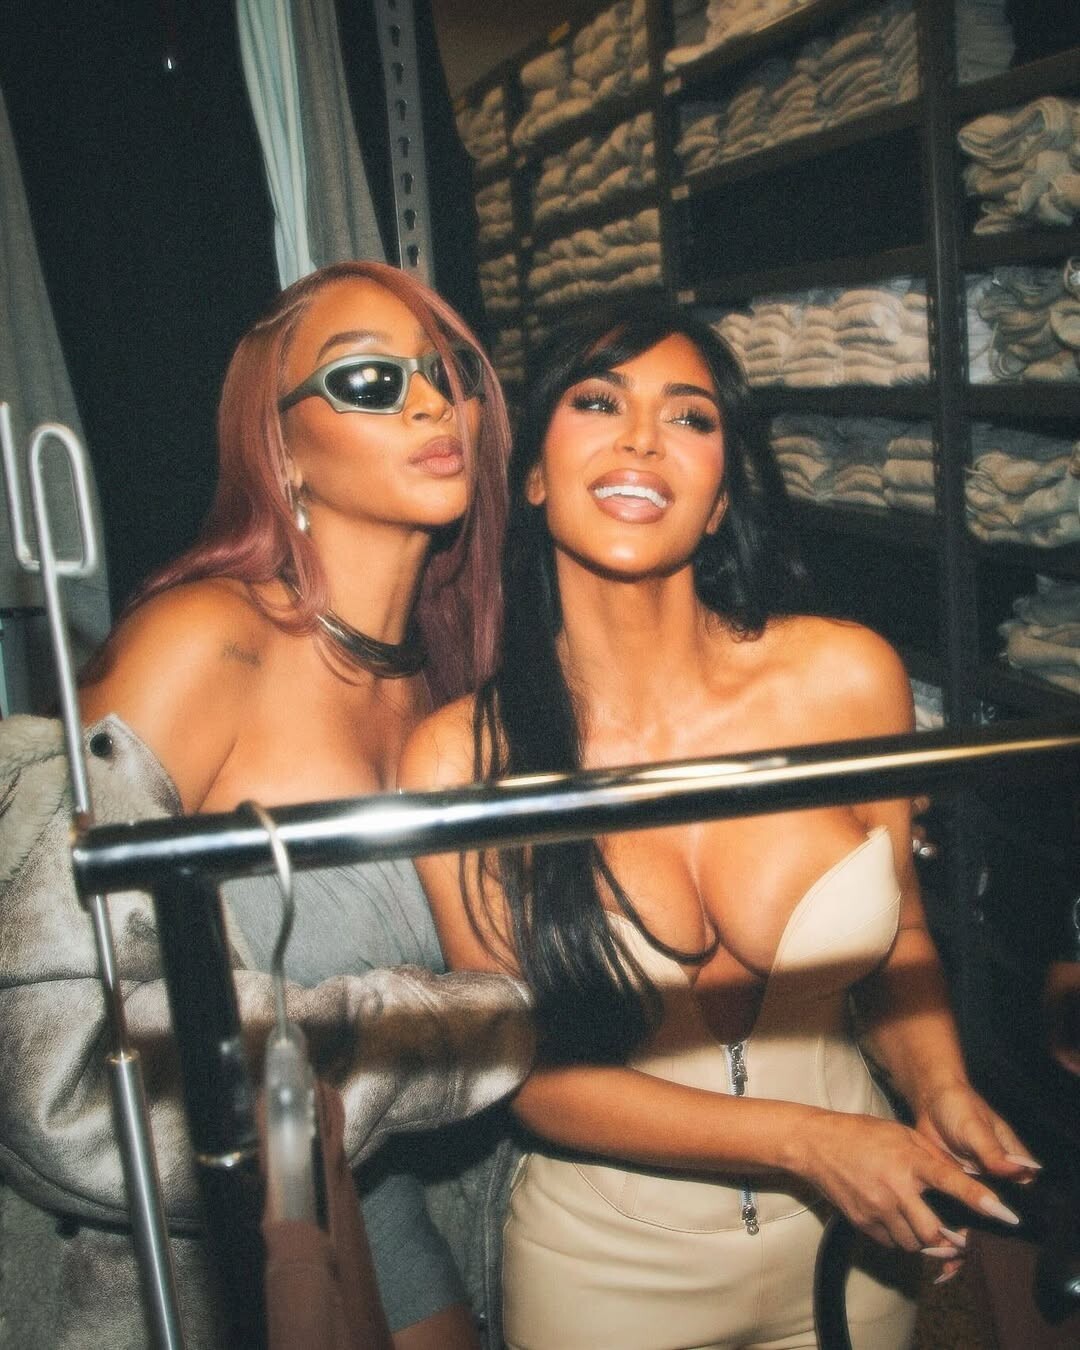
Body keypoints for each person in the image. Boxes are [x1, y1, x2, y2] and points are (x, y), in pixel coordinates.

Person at [399, 302, 1041, 1350]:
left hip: (854, 1251)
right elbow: (535, 1080)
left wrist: (941, 1087)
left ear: (719, 499)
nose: (642, 439)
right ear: (533, 476)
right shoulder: (460, 760)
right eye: (598, 402)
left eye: (689, 417)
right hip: (604, 1279)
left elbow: (902, 942)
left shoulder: (845, 678)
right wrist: (811, 1143)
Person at [0, 261, 532, 1350]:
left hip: (375, 1193)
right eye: (371, 380)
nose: (432, 403)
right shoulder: (205, 642)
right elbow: (50, 1038)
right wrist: (465, 1032)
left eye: (449, 375)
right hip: (193, 1243)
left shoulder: (449, 687)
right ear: (281, 450)